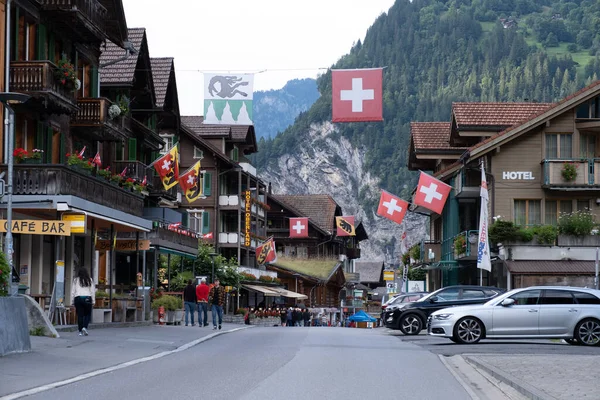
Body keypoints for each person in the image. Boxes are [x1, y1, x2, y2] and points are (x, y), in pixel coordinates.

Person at [71, 267, 95, 336]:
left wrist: (72, 300)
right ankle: (85, 327)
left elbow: (73, 291)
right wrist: (93, 300)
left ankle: (80, 331)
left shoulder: (76, 280)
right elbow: (92, 291)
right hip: (87, 297)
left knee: (80, 315)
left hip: (78, 298)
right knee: (87, 314)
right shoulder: (89, 280)